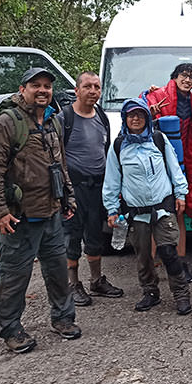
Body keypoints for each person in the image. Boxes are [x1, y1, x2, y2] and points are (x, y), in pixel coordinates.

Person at [0, 67, 81, 353]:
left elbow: (60, 165)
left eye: (47, 86)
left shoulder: (54, 121)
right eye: (36, 85)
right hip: (19, 217)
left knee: (58, 271)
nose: (43, 90)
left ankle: (63, 318)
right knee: (14, 276)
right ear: (23, 89)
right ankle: (11, 330)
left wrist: (68, 198)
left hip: (51, 212)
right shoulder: (8, 123)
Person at [102, 98, 192, 315]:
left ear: (147, 118)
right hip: (137, 212)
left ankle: (181, 294)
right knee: (143, 256)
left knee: (169, 252)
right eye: (131, 115)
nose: (135, 119)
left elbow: (174, 167)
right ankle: (150, 293)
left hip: (162, 208)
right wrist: (112, 209)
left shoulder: (159, 139)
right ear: (125, 118)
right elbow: (112, 180)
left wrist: (181, 194)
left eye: (140, 115)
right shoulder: (118, 146)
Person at [57, 71, 124, 307]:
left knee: (95, 235)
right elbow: (55, 156)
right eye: (87, 86)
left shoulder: (102, 116)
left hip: (98, 186)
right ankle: (72, 283)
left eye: (97, 86)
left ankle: (96, 280)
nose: (93, 91)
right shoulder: (64, 118)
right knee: (71, 236)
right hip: (73, 188)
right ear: (77, 90)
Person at [144, 64, 192, 282]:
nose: (187, 80)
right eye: (184, 76)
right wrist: (147, 106)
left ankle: (180, 261)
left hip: (181, 161)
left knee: (179, 208)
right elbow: (138, 115)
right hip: (157, 162)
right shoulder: (158, 95)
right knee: (155, 211)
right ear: (175, 77)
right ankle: (149, 266)